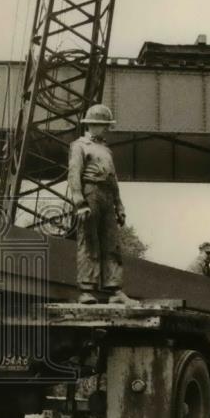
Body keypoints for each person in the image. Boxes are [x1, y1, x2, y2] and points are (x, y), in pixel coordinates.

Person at [67, 104, 135, 305]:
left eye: (106, 125)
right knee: (88, 241)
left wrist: (119, 206)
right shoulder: (79, 146)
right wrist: (80, 202)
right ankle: (87, 290)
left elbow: (113, 179)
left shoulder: (106, 149)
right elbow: (74, 174)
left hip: (106, 195)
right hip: (91, 193)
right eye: (102, 125)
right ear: (92, 125)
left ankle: (115, 290)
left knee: (111, 243)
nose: (105, 129)